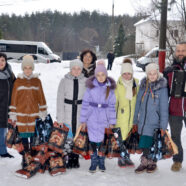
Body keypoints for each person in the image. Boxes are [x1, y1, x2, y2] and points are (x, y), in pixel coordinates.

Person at [80, 60, 116, 173]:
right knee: (92, 141)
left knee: (102, 141)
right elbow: (85, 104)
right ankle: (93, 161)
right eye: (98, 75)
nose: (101, 77)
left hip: (104, 118)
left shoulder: (109, 89)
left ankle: (101, 161)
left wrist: (112, 121)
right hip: (92, 117)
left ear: (106, 75)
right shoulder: (90, 88)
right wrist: (83, 120)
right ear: (95, 76)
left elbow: (112, 107)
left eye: (103, 75)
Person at [9, 55, 47, 158]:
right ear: (22, 68)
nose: (27, 70)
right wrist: (13, 113)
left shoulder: (37, 81)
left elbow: (41, 97)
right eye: (25, 68)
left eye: (30, 68)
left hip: (33, 115)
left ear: (32, 68)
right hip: (21, 115)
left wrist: (43, 111)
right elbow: (14, 98)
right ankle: (26, 159)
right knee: (24, 139)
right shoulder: (18, 82)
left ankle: (34, 159)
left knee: (34, 138)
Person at [133, 63, 169, 173]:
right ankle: (144, 161)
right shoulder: (143, 86)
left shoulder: (162, 88)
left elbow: (164, 109)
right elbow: (138, 103)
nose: (152, 76)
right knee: (144, 143)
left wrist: (163, 126)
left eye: (154, 73)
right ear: (147, 74)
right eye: (150, 74)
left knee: (152, 143)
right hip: (143, 121)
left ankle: (152, 162)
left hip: (154, 122)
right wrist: (135, 120)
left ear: (158, 73)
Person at [56, 59, 86, 168]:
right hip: (67, 112)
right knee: (68, 137)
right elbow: (59, 100)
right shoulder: (64, 81)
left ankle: (75, 158)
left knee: (77, 137)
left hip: (79, 112)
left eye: (79, 69)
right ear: (70, 69)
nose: (76, 71)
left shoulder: (85, 81)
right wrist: (60, 118)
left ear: (81, 70)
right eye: (74, 69)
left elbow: (87, 100)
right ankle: (68, 157)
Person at [163, 41, 186, 172]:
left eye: (183, 50)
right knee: (175, 136)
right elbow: (164, 91)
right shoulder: (169, 70)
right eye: (178, 50)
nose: (180, 53)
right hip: (174, 110)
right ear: (175, 52)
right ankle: (177, 160)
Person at [115, 58, 139, 167]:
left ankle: (127, 157)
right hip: (121, 116)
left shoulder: (136, 84)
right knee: (121, 138)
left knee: (129, 138)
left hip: (132, 116)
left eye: (129, 74)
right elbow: (114, 103)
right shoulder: (118, 85)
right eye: (124, 74)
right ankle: (121, 157)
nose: (126, 76)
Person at [0, 53, 15, 158]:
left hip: (6, 108)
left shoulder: (10, 75)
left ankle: (3, 151)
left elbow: (17, 87)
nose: (1, 63)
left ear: (6, 62)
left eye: (2, 60)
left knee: (3, 131)